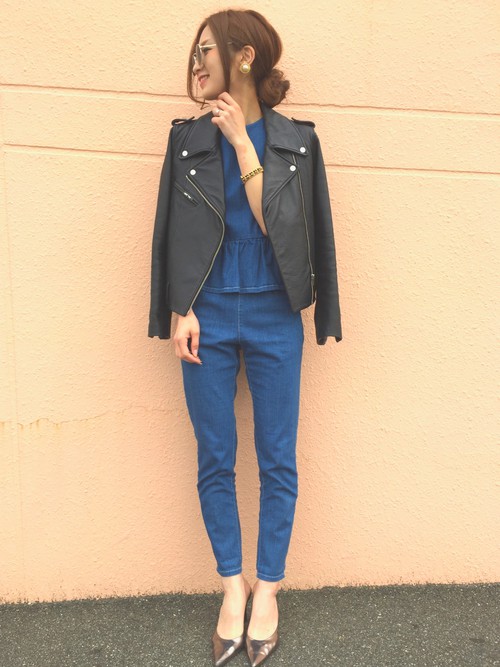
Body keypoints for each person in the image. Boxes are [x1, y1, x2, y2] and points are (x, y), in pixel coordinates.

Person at [148, 8, 342, 666]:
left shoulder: (296, 142)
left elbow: (289, 231)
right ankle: (232, 588)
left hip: (273, 314)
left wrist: (241, 144)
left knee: (277, 457)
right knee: (215, 456)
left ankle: (269, 590)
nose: (196, 62)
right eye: (195, 51)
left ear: (245, 58)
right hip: (206, 316)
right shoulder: (184, 141)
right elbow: (171, 233)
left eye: (207, 50)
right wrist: (180, 307)